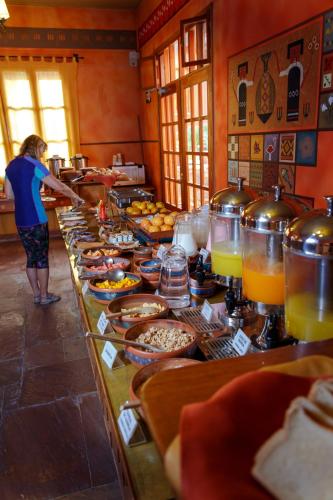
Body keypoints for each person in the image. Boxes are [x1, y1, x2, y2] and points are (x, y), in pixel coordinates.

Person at [5, 134, 85, 305]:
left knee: (31, 257)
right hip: (37, 218)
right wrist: (75, 196)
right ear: (35, 147)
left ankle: (36, 294)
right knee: (41, 258)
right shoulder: (35, 165)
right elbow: (59, 185)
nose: (42, 154)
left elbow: (9, 195)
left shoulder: (10, 166)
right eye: (42, 150)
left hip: (20, 219)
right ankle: (44, 296)